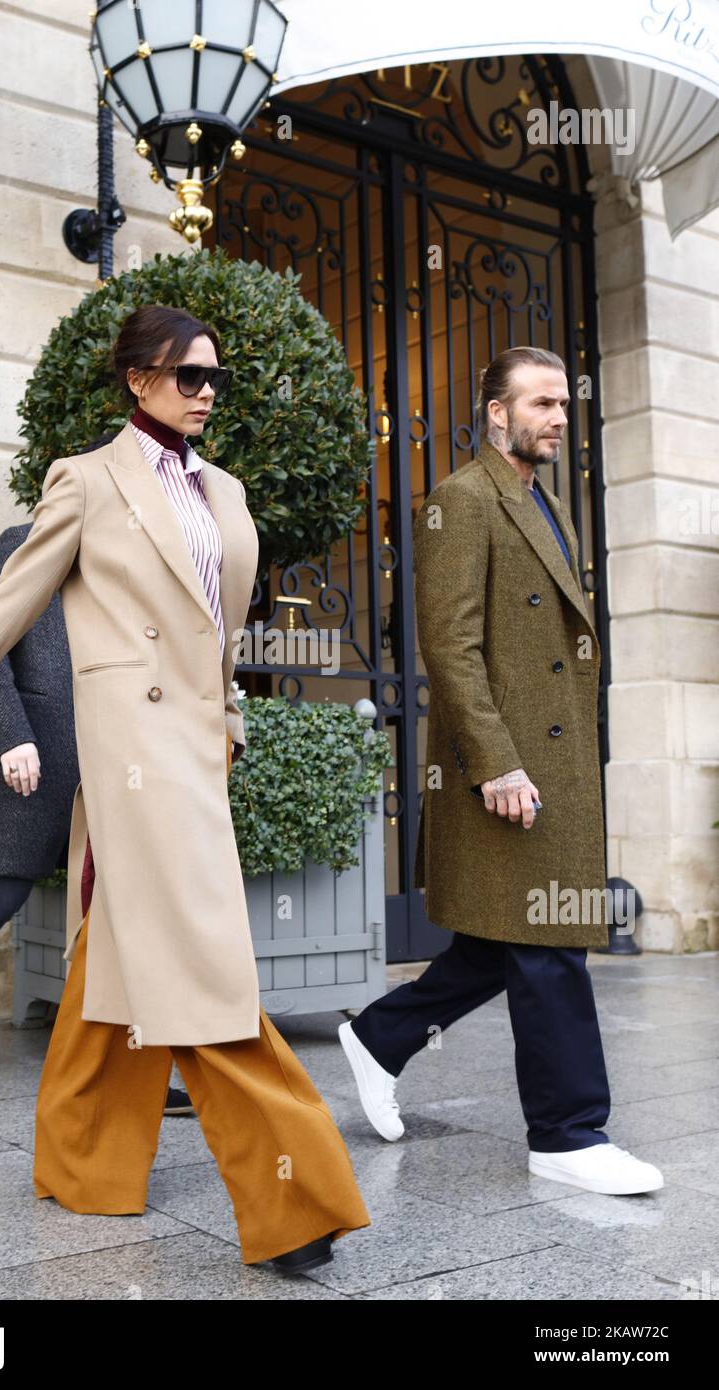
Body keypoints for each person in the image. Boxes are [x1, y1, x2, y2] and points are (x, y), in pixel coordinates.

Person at [0, 304, 370, 1274]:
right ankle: (295, 1197)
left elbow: (218, 634)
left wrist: (228, 723)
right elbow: (5, 608)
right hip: (130, 757)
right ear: (138, 379)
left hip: (196, 752)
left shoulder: (224, 490)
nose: (205, 395)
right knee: (207, 971)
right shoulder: (87, 481)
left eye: (215, 380)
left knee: (120, 949)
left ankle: (82, 1161)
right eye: (189, 376)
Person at [339, 345, 663, 1197]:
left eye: (563, 404)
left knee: (503, 942)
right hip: (510, 772)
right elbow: (449, 647)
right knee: (553, 946)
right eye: (543, 404)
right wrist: (494, 764)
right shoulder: (462, 499)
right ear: (496, 413)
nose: (559, 417)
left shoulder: (541, 500)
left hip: (550, 765)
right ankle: (567, 1134)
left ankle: (378, 1038)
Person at [0, 436, 193, 1115]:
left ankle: (133, 1069)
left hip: (116, 760)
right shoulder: (21, 541)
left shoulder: (132, 562)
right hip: (36, 752)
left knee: (123, 914)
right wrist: (11, 737)